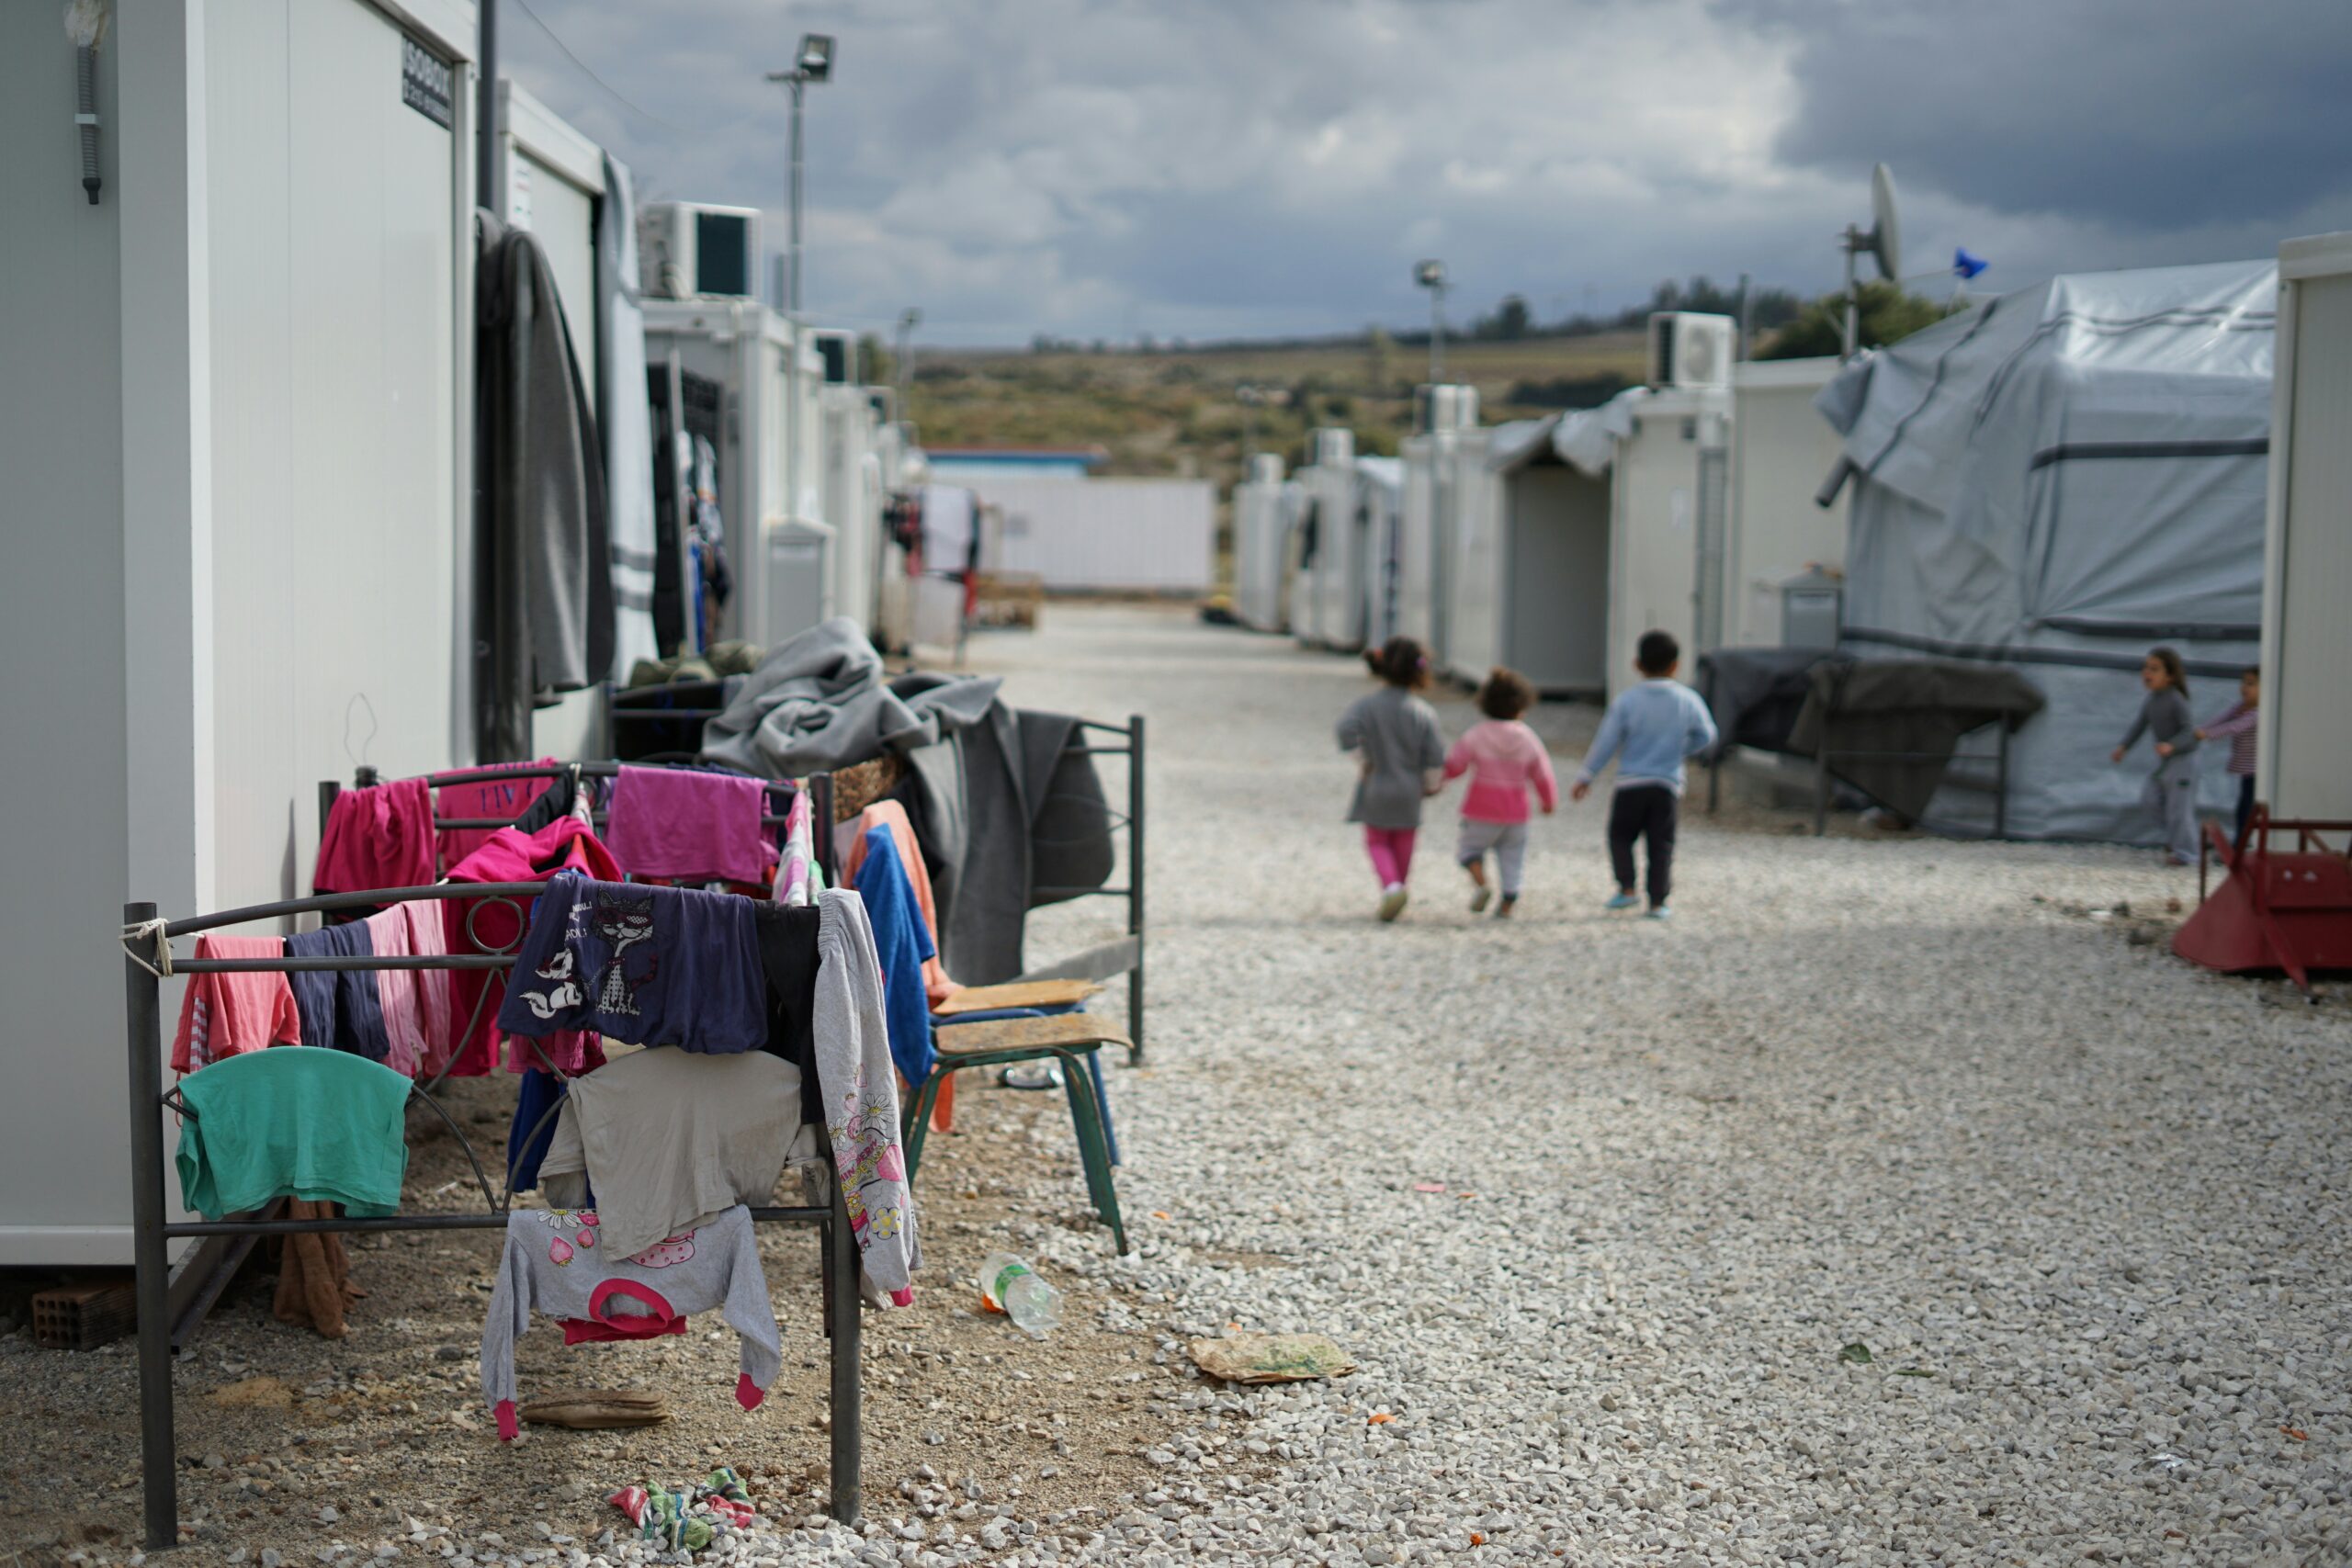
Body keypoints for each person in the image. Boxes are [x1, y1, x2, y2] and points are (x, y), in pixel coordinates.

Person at [1569, 631, 1718, 920]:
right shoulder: (1687, 699)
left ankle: (1626, 889)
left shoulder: (1627, 701)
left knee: (1620, 835)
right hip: (1667, 783)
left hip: (1630, 783)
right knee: (1661, 843)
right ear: (1676, 665)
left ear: (1637, 664)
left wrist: (1587, 775)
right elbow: (1708, 735)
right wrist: (1683, 749)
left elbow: (1606, 741)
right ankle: (1658, 902)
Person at [1338, 636, 1446, 922]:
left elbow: (1345, 729)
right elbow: (1435, 754)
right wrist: (1432, 782)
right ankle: (1401, 885)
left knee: (1376, 840)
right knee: (1405, 839)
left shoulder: (1367, 706)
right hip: (1410, 788)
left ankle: (1391, 886)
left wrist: (1363, 758)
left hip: (1377, 783)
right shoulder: (1423, 711)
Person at [1442, 668, 1557, 918]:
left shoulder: (1476, 735)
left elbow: (1455, 764)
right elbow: (1542, 772)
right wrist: (1548, 800)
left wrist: (1439, 778)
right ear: (1522, 706)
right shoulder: (1528, 738)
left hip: (1481, 809)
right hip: (1516, 812)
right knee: (1512, 856)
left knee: (1469, 849)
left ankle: (1482, 883)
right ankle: (1508, 901)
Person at [2111, 647, 2201, 865]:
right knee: (2150, 799)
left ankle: (2188, 854)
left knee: (2178, 809)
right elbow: (2140, 725)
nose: (2147, 673)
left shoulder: (2176, 699)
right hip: (2166, 763)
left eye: (2154, 669)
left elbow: (2191, 733)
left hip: (2183, 762)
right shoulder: (2152, 701)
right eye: (2146, 668)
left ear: (2169, 676)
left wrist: (2172, 745)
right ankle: (2181, 839)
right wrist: (2124, 747)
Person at [2195, 666, 2260, 846]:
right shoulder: (2241, 708)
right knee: (2242, 808)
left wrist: (2209, 734)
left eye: (2251, 684)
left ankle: (2242, 843)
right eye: (2243, 682)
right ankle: (2240, 843)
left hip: (2256, 771)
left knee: (2247, 809)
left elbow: (2234, 727)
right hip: (2247, 771)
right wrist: (2203, 729)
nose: (2244, 687)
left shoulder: (2258, 713)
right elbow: (2223, 718)